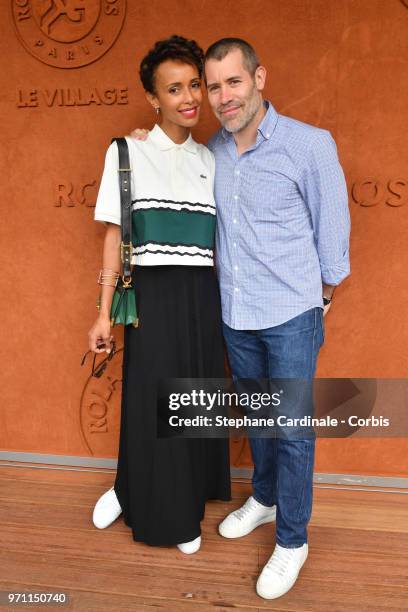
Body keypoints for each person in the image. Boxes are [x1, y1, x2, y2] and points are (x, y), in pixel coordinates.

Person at [130, 37, 350, 599]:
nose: (223, 96)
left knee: (295, 430)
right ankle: (265, 497)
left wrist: (319, 297)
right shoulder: (212, 153)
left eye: (234, 81)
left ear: (259, 79)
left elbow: (333, 240)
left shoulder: (309, 146)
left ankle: (293, 540)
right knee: (258, 419)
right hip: (237, 315)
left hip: (293, 314)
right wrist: (140, 148)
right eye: (214, 84)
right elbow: (168, 172)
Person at [87, 35, 231, 555]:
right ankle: (154, 507)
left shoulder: (214, 158)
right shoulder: (126, 152)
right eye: (175, 89)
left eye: (195, 84)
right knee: (153, 400)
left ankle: (165, 492)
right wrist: (103, 314)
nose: (190, 97)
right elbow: (112, 236)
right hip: (150, 293)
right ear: (153, 98)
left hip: (201, 295)